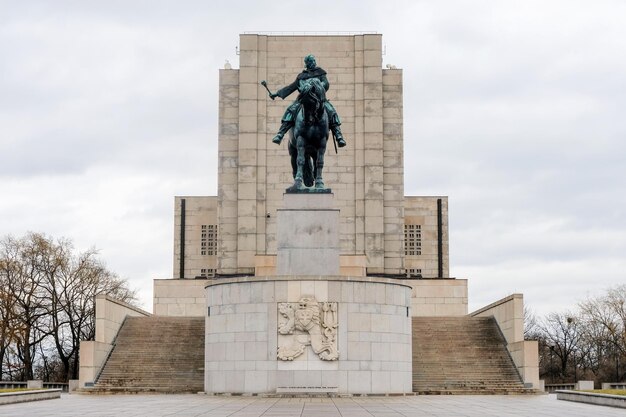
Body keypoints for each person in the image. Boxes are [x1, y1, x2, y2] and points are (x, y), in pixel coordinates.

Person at [270, 54, 347, 147]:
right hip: (303, 100)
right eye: (311, 61)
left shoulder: (320, 72)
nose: (314, 63)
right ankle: (280, 134)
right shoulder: (301, 76)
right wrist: (277, 93)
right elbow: (291, 88)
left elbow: (326, 84)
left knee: (331, 110)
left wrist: (317, 86)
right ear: (307, 63)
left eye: (314, 61)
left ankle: (339, 135)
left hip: (319, 99)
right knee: (290, 110)